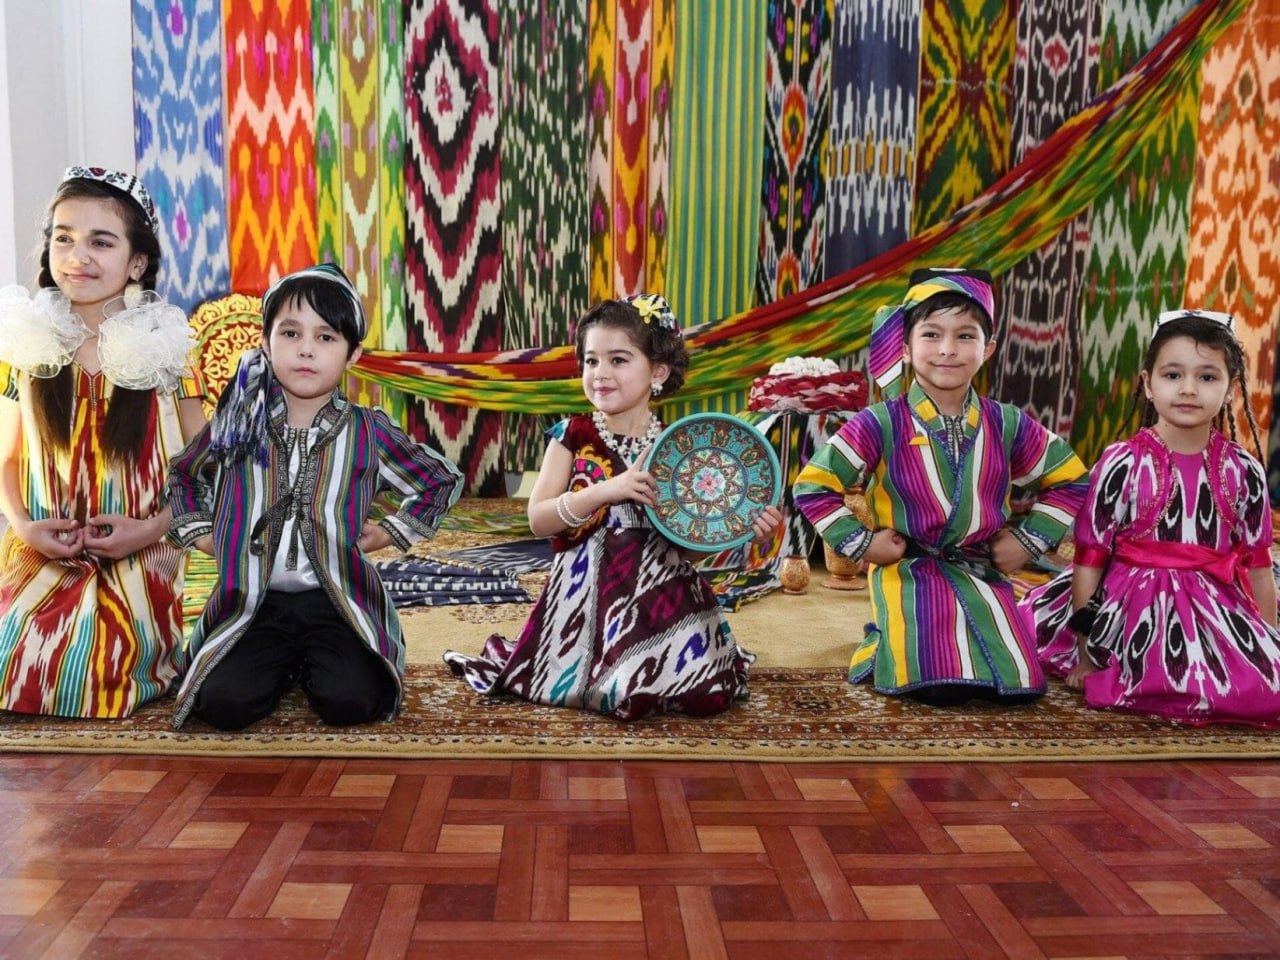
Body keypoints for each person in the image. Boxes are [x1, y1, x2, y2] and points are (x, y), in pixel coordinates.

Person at [444, 294, 781, 720]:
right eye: (591, 361)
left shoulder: (678, 447)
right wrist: (606, 490)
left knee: (706, 692)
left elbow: (685, 549)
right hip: (585, 598)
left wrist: (737, 532)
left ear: (658, 371)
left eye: (618, 360)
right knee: (619, 688)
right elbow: (538, 520)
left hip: (662, 593)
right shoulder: (572, 434)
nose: (600, 373)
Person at [166, 263, 463, 730]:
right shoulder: (238, 424)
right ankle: (281, 664)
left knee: (352, 704)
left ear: (353, 354)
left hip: (336, 599)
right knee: (222, 706)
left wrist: (389, 532)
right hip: (253, 599)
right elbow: (184, 474)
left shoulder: (368, 430)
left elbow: (440, 480)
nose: (306, 349)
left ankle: (318, 660)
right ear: (266, 343)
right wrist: (203, 533)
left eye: (326, 337)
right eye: (290, 333)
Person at [794, 268, 1088, 706]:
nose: (948, 349)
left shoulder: (1006, 423)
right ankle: (884, 640)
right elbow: (812, 486)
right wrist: (864, 545)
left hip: (982, 571)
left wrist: (1027, 541)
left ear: (988, 349)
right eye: (931, 334)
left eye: (965, 336)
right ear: (905, 348)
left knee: (1017, 685)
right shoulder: (880, 422)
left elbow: (1073, 478)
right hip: (910, 573)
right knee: (939, 685)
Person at [0, 166, 207, 717]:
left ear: (137, 262)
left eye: (101, 241)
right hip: (44, 548)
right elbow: (6, 457)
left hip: (139, 550)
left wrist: (153, 528)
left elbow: (205, 466)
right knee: (18, 663)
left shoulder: (167, 350)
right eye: (63, 238)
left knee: (97, 669)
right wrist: (24, 526)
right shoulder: (23, 343)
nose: (77, 257)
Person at [1026, 310, 1280, 726]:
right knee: (1155, 673)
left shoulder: (1244, 470)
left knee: (1262, 689)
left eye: (1207, 377)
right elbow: (1090, 560)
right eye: (1173, 375)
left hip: (1213, 604)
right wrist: (1087, 653)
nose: (1188, 389)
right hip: (1128, 604)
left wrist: (1266, 645)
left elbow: (1258, 566)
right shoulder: (1122, 462)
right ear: (1147, 384)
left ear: (1231, 389)